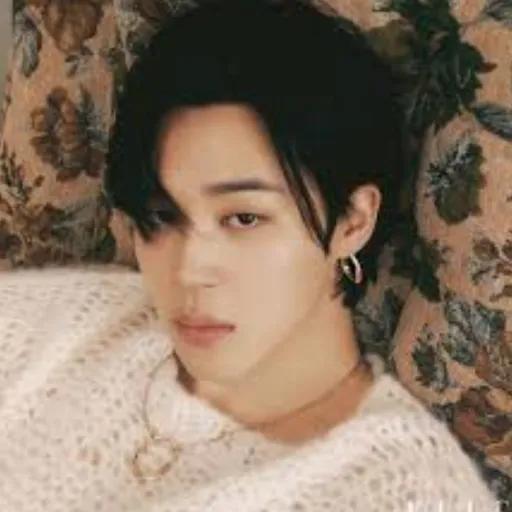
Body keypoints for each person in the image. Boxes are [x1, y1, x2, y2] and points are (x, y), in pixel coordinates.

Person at [0, 0, 499, 511]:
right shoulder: (64, 324)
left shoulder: (408, 493)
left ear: (352, 222)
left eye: (243, 218)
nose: (188, 270)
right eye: (163, 217)